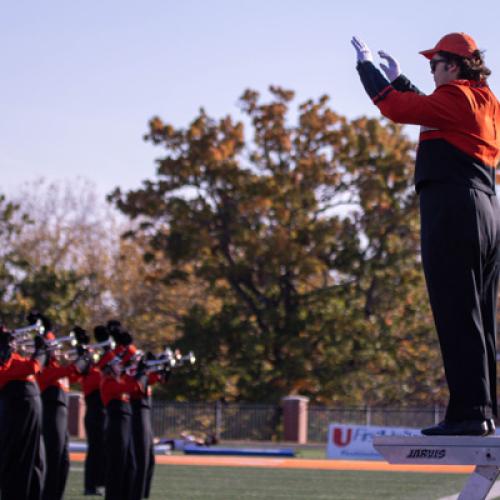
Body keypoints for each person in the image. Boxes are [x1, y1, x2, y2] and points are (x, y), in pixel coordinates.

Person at [351, 33, 500, 436]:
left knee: (455, 312)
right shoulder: (486, 100)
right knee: (480, 317)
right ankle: (484, 411)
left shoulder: (456, 97)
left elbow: (399, 110)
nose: (431, 72)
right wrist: (400, 82)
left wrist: (367, 70)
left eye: (433, 64)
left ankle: (470, 414)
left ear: (451, 65)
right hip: (485, 208)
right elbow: (429, 109)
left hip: (453, 207)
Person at [0, 327, 47, 500]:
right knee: (16, 463)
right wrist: (40, 352)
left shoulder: (16, 357)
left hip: (30, 411)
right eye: (8, 340)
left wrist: (42, 347)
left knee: (37, 463)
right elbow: (32, 367)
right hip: (16, 412)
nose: (13, 342)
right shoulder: (5, 361)